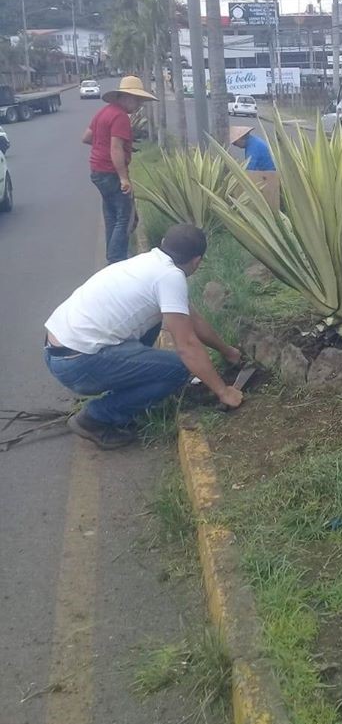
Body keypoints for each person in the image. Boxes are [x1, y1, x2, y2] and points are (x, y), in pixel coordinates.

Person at [44, 224, 244, 450]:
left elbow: (191, 319)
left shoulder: (149, 262)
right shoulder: (170, 277)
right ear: (197, 261)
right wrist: (222, 390)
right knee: (178, 368)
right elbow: (187, 346)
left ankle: (124, 386)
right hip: (79, 363)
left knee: (157, 320)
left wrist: (228, 352)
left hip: (59, 351)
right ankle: (95, 417)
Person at [82, 75, 157, 264]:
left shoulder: (104, 112)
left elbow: (87, 137)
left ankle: (113, 256)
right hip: (111, 173)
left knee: (111, 214)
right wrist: (124, 178)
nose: (139, 104)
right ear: (125, 97)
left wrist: (104, 146)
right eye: (137, 99)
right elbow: (115, 148)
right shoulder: (121, 117)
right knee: (126, 216)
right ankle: (117, 259)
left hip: (97, 171)